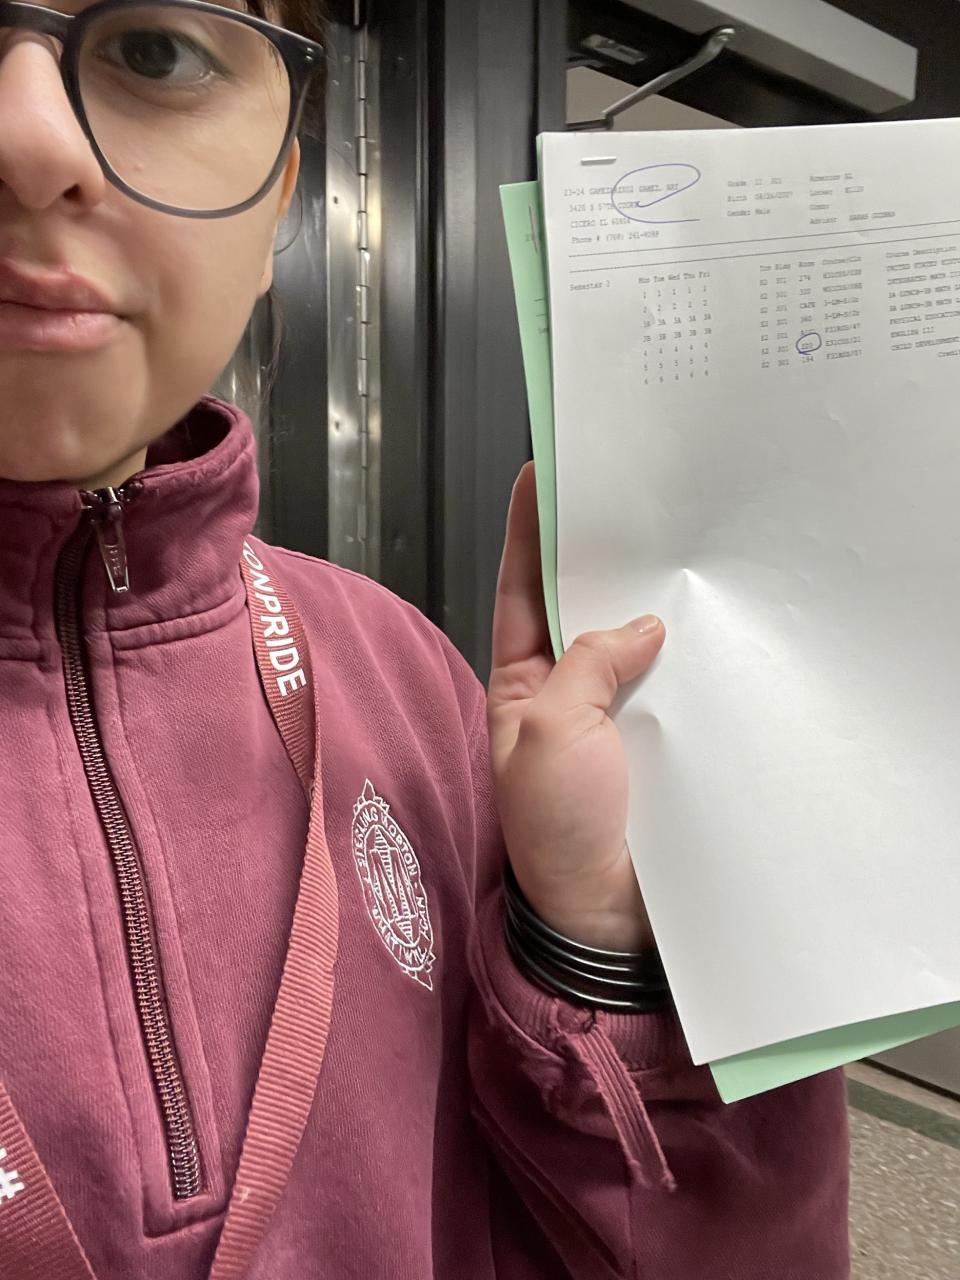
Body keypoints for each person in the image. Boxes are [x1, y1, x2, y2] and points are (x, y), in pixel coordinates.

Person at [0, 1, 850, 1277]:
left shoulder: (402, 677)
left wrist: (603, 955)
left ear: (279, 191)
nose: (26, 137)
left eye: (155, 52)